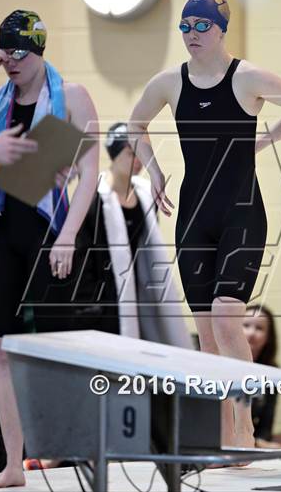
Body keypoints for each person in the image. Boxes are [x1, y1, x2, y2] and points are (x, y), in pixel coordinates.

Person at [128, 0, 281, 448]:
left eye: (200, 26)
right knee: (209, 338)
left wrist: (268, 139)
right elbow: (135, 125)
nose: (191, 35)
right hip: (193, 214)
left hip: (242, 213)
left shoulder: (246, 78)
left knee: (227, 320)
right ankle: (222, 436)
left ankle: (246, 432)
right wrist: (154, 173)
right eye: (185, 27)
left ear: (221, 30)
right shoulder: (169, 82)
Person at [0, 10, 99, 488]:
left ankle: (76, 449)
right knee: (2, 350)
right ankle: (15, 465)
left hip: (49, 230)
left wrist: (69, 234)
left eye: (19, 52)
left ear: (39, 50)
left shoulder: (71, 96)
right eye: (5, 51)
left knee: (62, 347)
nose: (11, 61)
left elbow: (91, 169)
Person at [72, 122, 193, 348]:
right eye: (131, 153)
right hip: (104, 297)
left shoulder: (146, 197)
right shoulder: (93, 199)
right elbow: (81, 253)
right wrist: (89, 305)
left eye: (141, 153)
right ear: (114, 154)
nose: (138, 160)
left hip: (139, 292)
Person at [243, 305, 279, 447]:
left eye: (259, 328)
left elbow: (266, 425)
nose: (251, 333)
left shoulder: (272, 372)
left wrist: (259, 441)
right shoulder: (221, 364)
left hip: (249, 441)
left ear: (268, 337)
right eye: (245, 325)